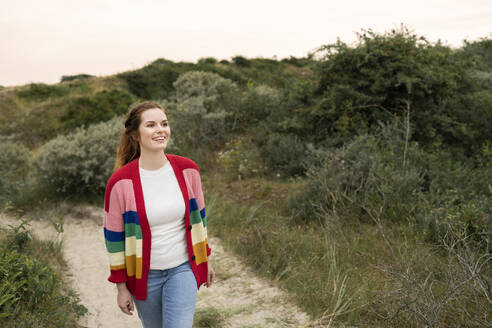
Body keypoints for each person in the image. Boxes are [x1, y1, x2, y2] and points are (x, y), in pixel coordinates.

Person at [103, 101, 214, 328]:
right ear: (135, 134)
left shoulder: (188, 170)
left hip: (183, 269)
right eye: (151, 125)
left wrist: (206, 259)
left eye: (164, 124)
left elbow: (200, 220)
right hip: (145, 277)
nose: (160, 130)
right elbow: (114, 240)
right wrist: (121, 287)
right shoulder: (120, 183)